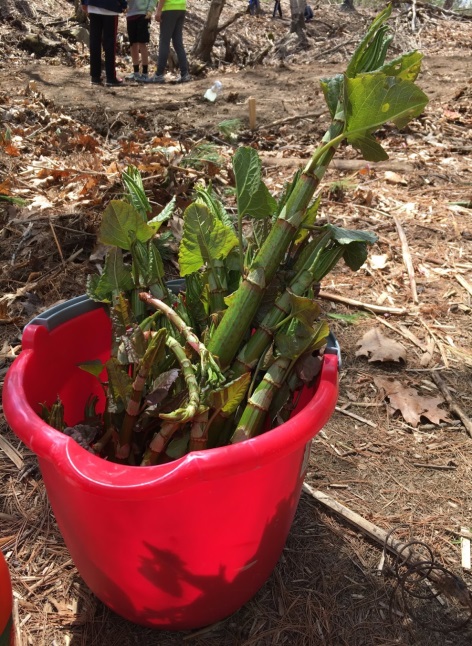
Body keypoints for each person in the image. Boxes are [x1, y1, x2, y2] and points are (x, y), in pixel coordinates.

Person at [82, 0, 127, 87]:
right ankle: (110, 77)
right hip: (110, 7)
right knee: (110, 43)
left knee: (95, 41)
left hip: (93, 5)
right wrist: (123, 4)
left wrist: (84, 2)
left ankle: (95, 76)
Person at [145, 0, 190, 84]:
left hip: (169, 8)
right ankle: (185, 73)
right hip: (181, 8)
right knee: (177, 42)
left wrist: (158, 11)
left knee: (164, 41)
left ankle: (158, 75)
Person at [125, 0, 158, 81]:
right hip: (130, 14)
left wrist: (150, 10)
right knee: (133, 44)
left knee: (142, 43)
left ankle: (145, 73)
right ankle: (136, 72)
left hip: (143, 14)